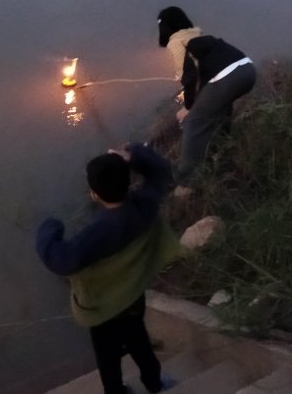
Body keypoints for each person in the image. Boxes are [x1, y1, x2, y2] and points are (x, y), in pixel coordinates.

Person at [36, 145, 179, 394]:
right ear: (129, 181)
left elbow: (59, 260)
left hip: (101, 311)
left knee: (107, 356)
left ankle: (116, 391)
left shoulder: (95, 235)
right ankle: (155, 384)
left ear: (94, 194)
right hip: (132, 296)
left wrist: (50, 228)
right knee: (140, 342)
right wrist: (133, 155)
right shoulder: (144, 206)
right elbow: (161, 173)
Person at [177, 31, 256, 183]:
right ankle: (221, 157)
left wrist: (188, 107)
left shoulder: (190, 48)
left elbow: (189, 79)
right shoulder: (215, 46)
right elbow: (207, 88)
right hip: (248, 71)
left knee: (193, 122)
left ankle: (187, 182)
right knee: (221, 112)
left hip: (227, 76)